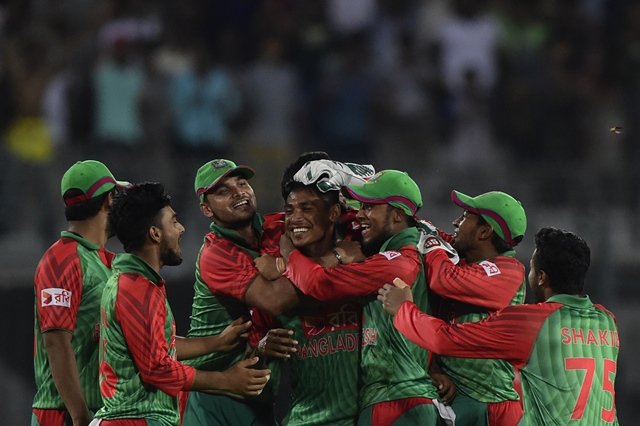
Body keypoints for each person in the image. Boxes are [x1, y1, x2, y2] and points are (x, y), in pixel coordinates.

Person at [379, 227, 620, 425]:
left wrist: (404, 309)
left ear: (541, 278)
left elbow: (445, 339)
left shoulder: (531, 321)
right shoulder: (608, 322)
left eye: (532, 267)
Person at [95, 182, 271, 425]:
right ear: (155, 233)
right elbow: (157, 368)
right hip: (135, 418)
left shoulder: (138, 282)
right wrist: (227, 380)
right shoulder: (135, 289)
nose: (182, 228)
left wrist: (215, 343)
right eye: (174, 222)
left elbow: (153, 346)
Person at [280, 170, 442, 425]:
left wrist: (289, 254)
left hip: (394, 399)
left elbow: (318, 284)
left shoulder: (397, 262)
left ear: (398, 215)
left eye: (370, 206)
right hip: (404, 397)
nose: (360, 213)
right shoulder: (402, 256)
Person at [182, 159, 298, 426]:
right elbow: (275, 301)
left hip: (258, 389)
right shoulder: (216, 254)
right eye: (223, 191)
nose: (239, 192)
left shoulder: (276, 227)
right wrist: (288, 260)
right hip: (216, 394)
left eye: (242, 183)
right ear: (206, 210)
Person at [253, 155, 364, 425]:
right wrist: (261, 349)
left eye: (307, 208)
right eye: (290, 210)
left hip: (362, 418)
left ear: (334, 213)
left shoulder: (363, 256)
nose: (295, 218)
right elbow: (260, 384)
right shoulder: (275, 282)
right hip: (303, 420)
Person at [32, 160, 129, 426]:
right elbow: (56, 342)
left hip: (101, 411)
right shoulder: (61, 259)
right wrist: (80, 416)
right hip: (62, 414)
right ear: (109, 200)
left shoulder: (107, 261)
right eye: (118, 196)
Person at [420, 190, 527, 425]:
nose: (456, 221)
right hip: (459, 397)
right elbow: (436, 236)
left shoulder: (508, 270)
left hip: (490, 404)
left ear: (484, 231)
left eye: (466, 215)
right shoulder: (467, 259)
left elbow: (444, 279)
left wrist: (430, 242)